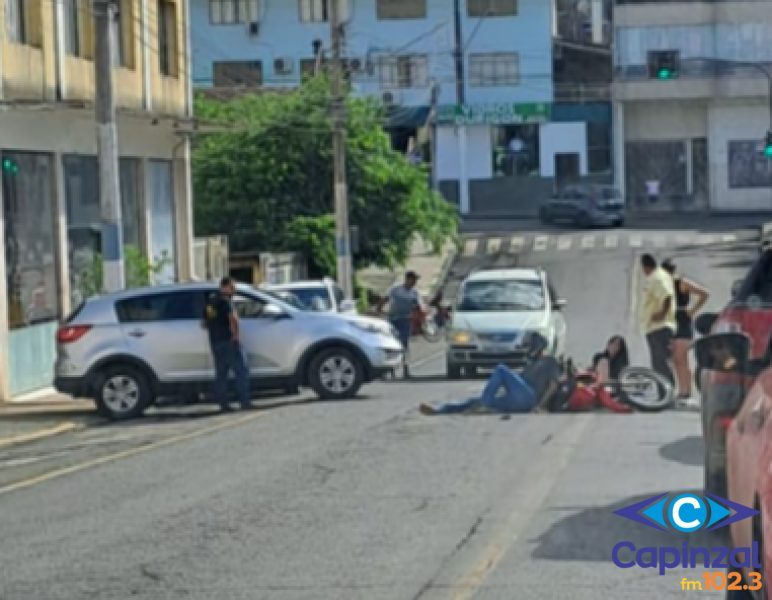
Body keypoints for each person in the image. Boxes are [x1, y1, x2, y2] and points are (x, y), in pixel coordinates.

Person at [419, 334, 561, 415]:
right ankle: (440, 410)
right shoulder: (530, 364)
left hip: (530, 397)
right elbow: (518, 382)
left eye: (529, 346)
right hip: (518, 399)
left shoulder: (550, 361)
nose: (526, 349)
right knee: (475, 400)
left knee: (501, 369)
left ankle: (485, 405)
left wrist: (541, 406)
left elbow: (553, 385)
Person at [661, 259, 709, 407]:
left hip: (682, 322)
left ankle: (686, 392)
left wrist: (692, 310)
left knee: (681, 358)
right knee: (675, 360)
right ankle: (682, 390)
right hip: (669, 323)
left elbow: (704, 293)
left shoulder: (681, 283)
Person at [203, 277, 250, 411]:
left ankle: (223, 404)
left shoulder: (210, 302)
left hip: (215, 342)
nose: (234, 290)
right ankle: (244, 401)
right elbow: (233, 319)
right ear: (224, 287)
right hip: (228, 341)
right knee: (241, 371)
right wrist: (235, 335)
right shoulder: (226, 301)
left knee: (221, 374)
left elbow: (204, 323)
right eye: (232, 287)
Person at [640, 254, 676, 386]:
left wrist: (661, 313)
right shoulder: (660, 276)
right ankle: (664, 393)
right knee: (659, 363)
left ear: (645, 267)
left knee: (661, 363)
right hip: (657, 327)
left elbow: (667, 295)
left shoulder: (657, 278)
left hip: (659, 327)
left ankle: (666, 393)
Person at [378, 271, 422, 378]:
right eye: (413, 280)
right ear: (407, 279)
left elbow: (417, 307)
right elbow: (385, 299)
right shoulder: (395, 289)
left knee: (404, 345)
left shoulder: (414, 293)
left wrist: (418, 318)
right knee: (390, 345)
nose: (415, 282)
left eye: (415, 280)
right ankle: (389, 370)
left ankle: (405, 370)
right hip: (392, 320)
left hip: (405, 320)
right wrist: (379, 309)